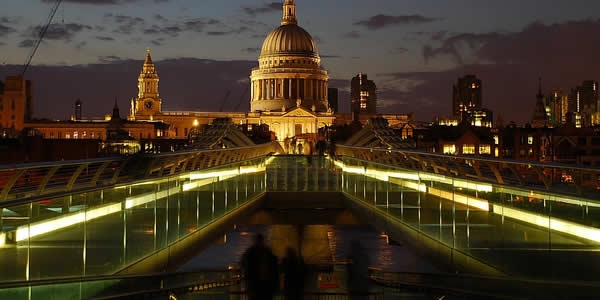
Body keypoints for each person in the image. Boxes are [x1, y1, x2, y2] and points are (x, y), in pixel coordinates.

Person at [241, 233, 279, 300]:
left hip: (255, 284)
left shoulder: (250, 252)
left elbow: (244, 264)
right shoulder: (268, 252)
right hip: (266, 284)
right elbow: (274, 268)